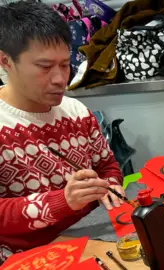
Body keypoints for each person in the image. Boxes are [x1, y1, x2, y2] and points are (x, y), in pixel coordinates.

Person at [0, 1, 126, 263]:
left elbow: (107, 166)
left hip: (95, 239)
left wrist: (110, 187)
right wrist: (62, 202)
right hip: (30, 256)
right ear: (6, 61)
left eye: (65, 65)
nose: (60, 79)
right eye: (45, 67)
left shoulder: (76, 111)